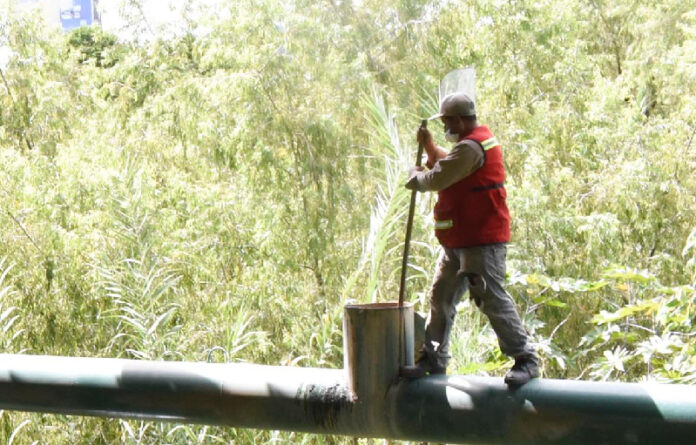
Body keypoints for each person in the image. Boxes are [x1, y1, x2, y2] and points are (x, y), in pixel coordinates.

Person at [405, 92, 538, 386]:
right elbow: (449, 164)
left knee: (490, 298)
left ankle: (525, 360)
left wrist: (415, 176)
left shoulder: (471, 147)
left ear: (461, 119)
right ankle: (434, 358)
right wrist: (429, 147)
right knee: (441, 297)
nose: (445, 128)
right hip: (459, 239)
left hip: (481, 239)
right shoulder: (469, 145)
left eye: (448, 121)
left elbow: (439, 176)